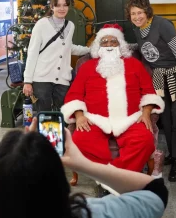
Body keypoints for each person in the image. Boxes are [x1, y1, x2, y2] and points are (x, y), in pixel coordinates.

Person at [0, 118, 168, 218]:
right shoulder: (95, 212)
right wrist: (82, 164)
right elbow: (155, 191)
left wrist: (12, 155)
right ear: (58, 184)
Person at [60, 24, 165, 191]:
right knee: (79, 141)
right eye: (105, 41)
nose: (109, 45)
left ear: (120, 45)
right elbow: (74, 95)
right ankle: (120, 178)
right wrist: (79, 115)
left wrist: (146, 113)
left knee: (145, 141)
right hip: (95, 119)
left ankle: (110, 178)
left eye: (113, 41)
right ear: (98, 46)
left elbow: (149, 92)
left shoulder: (134, 64)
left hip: (130, 118)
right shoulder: (87, 67)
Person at [125, 0, 176, 182]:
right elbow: (144, 47)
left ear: (147, 12)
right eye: (133, 14)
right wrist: (122, 46)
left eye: (140, 12)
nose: (137, 17)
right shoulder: (137, 28)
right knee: (166, 118)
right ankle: (174, 154)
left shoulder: (163, 24)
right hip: (160, 77)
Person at [22, 0, 89, 111]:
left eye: (65, 5)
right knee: (44, 116)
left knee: (63, 114)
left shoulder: (70, 26)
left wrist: (90, 50)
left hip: (62, 78)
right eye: (58, 5)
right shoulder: (41, 24)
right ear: (52, 7)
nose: (62, 8)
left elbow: (69, 47)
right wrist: (27, 81)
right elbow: (32, 52)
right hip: (42, 78)